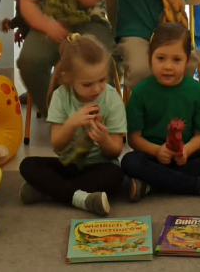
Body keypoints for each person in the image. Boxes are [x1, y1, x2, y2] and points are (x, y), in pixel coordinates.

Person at [120, 22, 200, 202]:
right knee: (129, 161)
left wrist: (186, 151)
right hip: (153, 156)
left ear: (187, 61)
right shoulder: (140, 92)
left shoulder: (197, 91)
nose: (168, 66)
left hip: (185, 158)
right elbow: (134, 139)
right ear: (150, 58)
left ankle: (153, 184)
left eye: (176, 60)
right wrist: (158, 151)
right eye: (161, 58)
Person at [19, 34, 127, 217]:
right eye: (87, 84)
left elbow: (115, 151)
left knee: (115, 176)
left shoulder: (112, 99)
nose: (96, 89)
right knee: (28, 164)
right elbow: (57, 145)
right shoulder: (61, 96)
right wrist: (71, 124)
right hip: (68, 165)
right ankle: (81, 198)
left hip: (100, 165)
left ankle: (50, 190)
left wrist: (104, 139)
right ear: (67, 78)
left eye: (102, 80)